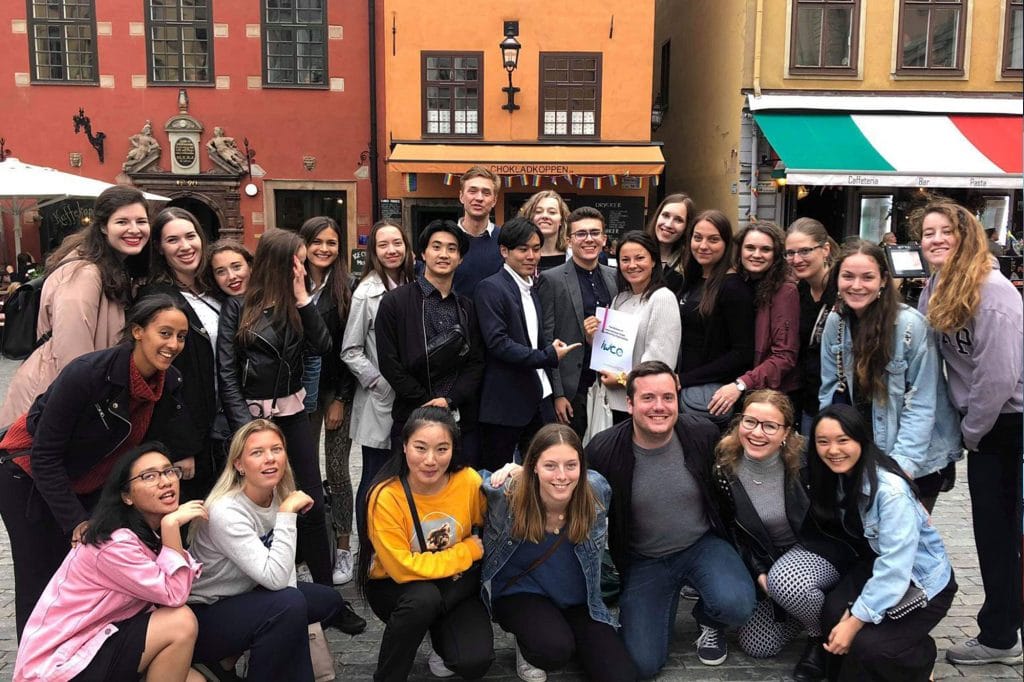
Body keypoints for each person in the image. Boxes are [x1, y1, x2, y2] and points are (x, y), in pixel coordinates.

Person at [0, 295, 200, 638]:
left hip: (88, 479)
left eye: (180, 337)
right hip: (25, 473)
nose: (173, 345)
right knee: (42, 578)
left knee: (93, 575)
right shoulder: (88, 374)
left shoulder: (168, 382)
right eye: (165, 333)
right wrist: (76, 521)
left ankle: (85, 655)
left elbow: (143, 448)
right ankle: (35, 661)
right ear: (137, 331)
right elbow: (44, 454)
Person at [585, 361, 756, 676]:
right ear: (630, 403)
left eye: (667, 397)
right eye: (648, 398)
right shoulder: (604, 449)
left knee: (738, 605)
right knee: (643, 663)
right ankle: (658, 604)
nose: (659, 407)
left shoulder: (702, 433)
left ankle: (708, 618)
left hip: (701, 545)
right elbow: (570, 486)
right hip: (645, 559)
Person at [915, 199, 1023, 665]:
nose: (935, 239)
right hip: (982, 424)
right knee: (992, 534)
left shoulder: (994, 293)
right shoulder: (937, 286)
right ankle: (1002, 631)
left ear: (967, 236)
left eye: (946, 231)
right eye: (928, 232)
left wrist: (972, 433)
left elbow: (998, 377)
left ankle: (1000, 638)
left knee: (1001, 536)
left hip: (1007, 425)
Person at [187, 419, 365, 682]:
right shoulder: (226, 511)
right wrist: (287, 515)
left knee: (327, 601)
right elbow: (277, 580)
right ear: (239, 464)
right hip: (206, 613)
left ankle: (229, 661)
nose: (269, 458)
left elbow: (284, 574)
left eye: (276, 449)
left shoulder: (278, 494)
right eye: (257, 452)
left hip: (249, 592)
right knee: (288, 606)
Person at [13, 443, 206, 682]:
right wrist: (171, 526)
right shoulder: (114, 543)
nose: (165, 481)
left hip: (98, 642)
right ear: (126, 496)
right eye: (149, 476)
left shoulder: (144, 536)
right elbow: (175, 594)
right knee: (180, 622)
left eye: (169, 471)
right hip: (59, 666)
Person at [217, 228, 335, 585]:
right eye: (299, 261)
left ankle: (326, 590)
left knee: (311, 499)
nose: (304, 268)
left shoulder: (296, 305)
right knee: (258, 498)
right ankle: (269, 578)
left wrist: (302, 297)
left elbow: (323, 345)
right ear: (281, 262)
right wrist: (246, 428)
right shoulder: (238, 306)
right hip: (251, 420)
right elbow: (227, 372)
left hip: (293, 415)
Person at [810, 405, 957, 681]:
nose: (833, 450)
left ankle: (919, 657)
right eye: (823, 441)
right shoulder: (837, 475)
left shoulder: (891, 493)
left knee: (868, 646)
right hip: (875, 565)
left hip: (920, 581)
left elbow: (895, 569)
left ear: (861, 440)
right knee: (832, 612)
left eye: (843, 440)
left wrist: (856, 620)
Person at [480, 424, 637, 682]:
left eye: (571, 465)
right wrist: (508, 470)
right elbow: (465, 482)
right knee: (553, 650)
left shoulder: (596, 491)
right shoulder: (507, 493)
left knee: (621, 675)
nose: (562, 475)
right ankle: (529, 642)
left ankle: (558, 631)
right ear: (533, 466)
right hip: (521, 592)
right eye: (550, 465)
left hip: (577, 599)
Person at [818, 240, 961, 512]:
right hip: (861, 452)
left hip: (915, 456)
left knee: (903, 533)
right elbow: (830, 390)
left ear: (883, 280)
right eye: (848, 276)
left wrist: (901, 468)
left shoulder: (910, 325)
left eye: (867, 277)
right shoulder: (836, 323)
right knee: (866, 531)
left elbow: (922, 403)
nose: (856, 285)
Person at [712, 390, 845, 681]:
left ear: (786, 432)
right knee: (758, 645)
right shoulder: (725, 467)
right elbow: (732, 529)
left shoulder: (808, 459)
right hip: (771, 560)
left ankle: (819, 638)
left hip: (816, 550)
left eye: (770, 426)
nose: (757, 433)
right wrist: (758, 569)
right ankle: (808, 604)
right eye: (750, 422)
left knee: (787, 581)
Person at [357, 406, 494, 681]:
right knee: (423, 601)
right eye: (420, 448)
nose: (430, 460)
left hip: (453, 584)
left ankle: (436, 632)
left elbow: (498, 520)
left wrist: (510, 479)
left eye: (442, 449)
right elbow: (401, 568)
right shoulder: (386, 496)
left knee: (474, 661)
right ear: (404, 446)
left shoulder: (467, 480)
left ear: (453, 449)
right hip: (396, 587)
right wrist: (465, 551)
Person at [0, 185, 151, 427]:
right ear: (103, 226)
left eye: (141, 221)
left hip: (66, 394)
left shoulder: (108, 267)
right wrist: (91, 412)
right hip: (55, 398)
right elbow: (74, 355)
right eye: (122, 221)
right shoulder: (85, 273)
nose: (134, 229)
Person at [375, 219, 485, 465]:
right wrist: (425, 401)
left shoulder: (467, 307)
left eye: (452, 249)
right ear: (423, 254)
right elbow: (389, 363)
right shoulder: (395, 302)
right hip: (412, 416)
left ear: (460, 258)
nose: (443, 254)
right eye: (436, 247)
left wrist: (450, 400)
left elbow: (476, 362)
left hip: (459, 419)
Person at [475, 216, 579, 470]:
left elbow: (535, 338)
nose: (531, 256)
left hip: (539, 397)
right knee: (498, 476)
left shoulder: (531, 287)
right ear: (504, 251)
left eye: (536, 249)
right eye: (523, 249)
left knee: (541, 471)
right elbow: (498, 343)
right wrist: (547, 356)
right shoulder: (490, 288)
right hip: (506, 403)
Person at [138, 207, 222, 501]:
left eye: (190, 236)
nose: (185, 246)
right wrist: (182, 446)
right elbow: (158, 377)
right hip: (193, 432)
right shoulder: (158, 299)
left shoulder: (214, 288)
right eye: (173, 240)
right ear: (160, 248)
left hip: (222, 423)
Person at [342, 219, 414, 548]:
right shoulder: (366, 293)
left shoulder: (416, 283)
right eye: (383, 245)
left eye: (396, 243)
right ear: (373, 251)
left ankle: (396, 543)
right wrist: (379, 382)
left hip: (412, 396)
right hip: (380, 401)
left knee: (405, 475)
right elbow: (350, 350)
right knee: (374, 476)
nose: (391, 250)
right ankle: (368, 550)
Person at [299, 216, 357, 585]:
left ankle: (344, 547)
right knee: (302, 471)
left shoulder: (347, 288)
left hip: (336, 390)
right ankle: (307, 548)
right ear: (304, 245)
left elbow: (350, 348)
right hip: (299, 394)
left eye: (331, 243)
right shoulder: (290, 283)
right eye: (317, 242)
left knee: (337, 471)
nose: (323, 249)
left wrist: (341, 398)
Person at [539, 207, 618, 439]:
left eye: (595, 233)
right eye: (581, 234)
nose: (589, 239)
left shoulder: (615, 276)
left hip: (610, 383)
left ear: (604, 239)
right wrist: (558, 394)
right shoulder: (551, 279)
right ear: (569, 240)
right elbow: (547, 338)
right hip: (573, 387)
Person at [707, 221, 799, 418]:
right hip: (748, 389)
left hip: (771, 397)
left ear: (776, 254)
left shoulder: (785, 290)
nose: (756, 255)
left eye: (765, 249)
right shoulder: (743, 283)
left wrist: (741, 384)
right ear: (740, 250)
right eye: (750, 248)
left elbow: (784, 356)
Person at [589, 231, 680, 422]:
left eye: (639, 258)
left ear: (653, 261)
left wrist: (622, 380)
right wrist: (593, 336)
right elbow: (610, 350)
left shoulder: (662, 298)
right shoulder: (620, 298)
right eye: (625, 259)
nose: (632, 265)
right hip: (610, 403)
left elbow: (659, 363)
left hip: (641, 405)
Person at [676, 209, 755, 426]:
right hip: (685, 389)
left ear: (726, 244)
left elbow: (742, 352)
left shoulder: (734, 288)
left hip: (710, 398)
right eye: (697, 237)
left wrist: (684, 379)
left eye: (713, 239)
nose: (703, 245)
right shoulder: (692, 279)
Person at [785, 218, 839, 433]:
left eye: (805, 251)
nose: (796, 259)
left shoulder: (843, 289)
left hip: (838, 400)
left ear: (825, 250)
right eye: (790, 253)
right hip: (807, 399)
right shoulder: (798, 292)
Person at [453, 166, 503, 297]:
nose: (479, 198)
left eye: (486, 193)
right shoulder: (447, 239)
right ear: (461, 196)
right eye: (472, 191)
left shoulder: (505, 240)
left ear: (494, 200)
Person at [644, 192, 695, 292]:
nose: (668, 224)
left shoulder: (690, 264)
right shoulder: (638, 254)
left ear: (687, 227)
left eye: (678, 220)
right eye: (665, 215)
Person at [519, 190, 570, 272]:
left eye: (552, 212)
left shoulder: (574, 258)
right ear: (530, 218)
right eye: (538, 212)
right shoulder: (517, 256)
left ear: (561, 220)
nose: (545, 216)